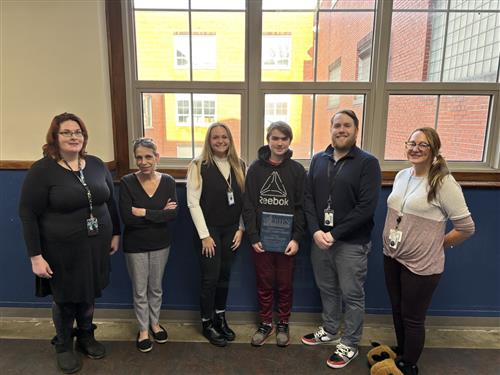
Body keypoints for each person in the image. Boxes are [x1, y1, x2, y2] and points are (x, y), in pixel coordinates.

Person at [18, 112, 120, 374]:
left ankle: (86, 335)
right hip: (60, 250)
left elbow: (109, 202)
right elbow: (28, 214)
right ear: (55, 137)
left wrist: (116, 233)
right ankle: (64, 344)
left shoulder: (96, 165)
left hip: (96, 246)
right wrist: (35, 256)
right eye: (67, 132)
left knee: (88, 293)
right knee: (65, 298)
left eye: (78, 132)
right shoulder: (42, 170)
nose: (74, 136)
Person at [382, 127, 475, 375]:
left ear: (434, 150)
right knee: (398, 310)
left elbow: (466, 228)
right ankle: (402, 352)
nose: (415, 148)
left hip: (422, 265)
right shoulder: (402, 175)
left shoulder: (443, 183)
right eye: (411, 143)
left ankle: (409, 364)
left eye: (423, 145)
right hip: (392, 256)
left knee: (412, 318)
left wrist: (437, 244)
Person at [302, 109, 381, 369]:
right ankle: (330, 328)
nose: (341, 130)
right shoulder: (318, 159)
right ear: (331, 129)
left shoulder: (368, 162)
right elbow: (308, 199)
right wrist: (315, 231)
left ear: (356, 130)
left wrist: (334, 234)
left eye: (347, 125)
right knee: (327, 289)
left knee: (352, 294)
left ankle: (350, 341)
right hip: (320, 240)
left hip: (351, 243)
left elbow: (366, 207)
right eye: (337, 125)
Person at [243, 121, 306, 347]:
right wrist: (253, 236)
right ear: (268, 140)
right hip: (261, 241)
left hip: (287, 242)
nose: (279, 143)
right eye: (275, 138)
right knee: (264, 283)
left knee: (285, 284)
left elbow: (301, 207)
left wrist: (296, 238)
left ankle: (283, 323)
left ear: (290, 141)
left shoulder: (297, 171)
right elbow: (248, 205)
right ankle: (266, 323)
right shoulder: (255, 169)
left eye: (284, 138)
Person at [186, 122, 246, 347]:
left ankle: (220, 316)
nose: (220, 141)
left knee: (224, 276)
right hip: (208, 231)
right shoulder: (198, 165)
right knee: (210, 278)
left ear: (230, 140)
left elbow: (244, 202)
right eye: (215, 138)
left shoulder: (240, 165)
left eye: (224, 137)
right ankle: (207, 322)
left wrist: (241, 229)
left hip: (231, 230)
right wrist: (204, 236)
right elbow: (193, 203)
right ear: (209, 141)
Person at [119, 138, 178, 353]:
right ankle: (143, 329)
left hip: (161, 244)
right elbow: (127, 218)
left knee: (156, 288)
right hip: (135, 245)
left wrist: (143, 212)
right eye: (139, 157)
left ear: (157, 158)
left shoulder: (169, 181)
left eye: (148, 157)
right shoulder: (127, 182)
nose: (143, 162)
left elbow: (173, 215)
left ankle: (155, 323)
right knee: (140, 290)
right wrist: (159, 213)